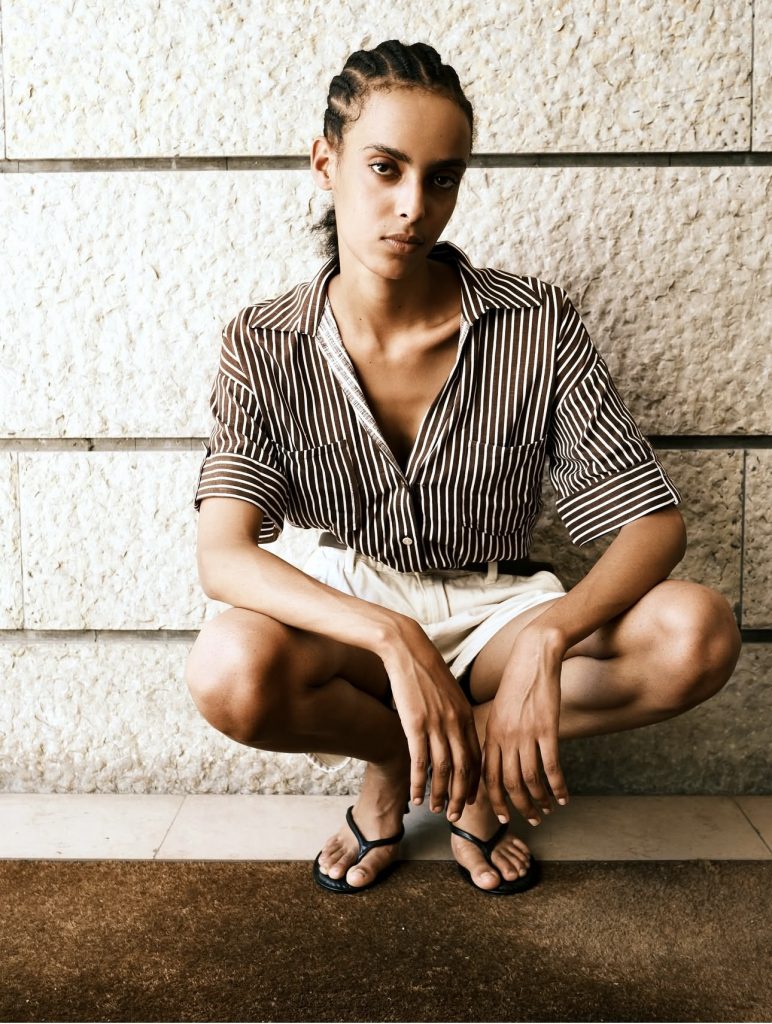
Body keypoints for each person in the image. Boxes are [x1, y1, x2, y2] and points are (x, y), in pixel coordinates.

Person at [185, 39, 742, 896]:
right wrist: (393, 637)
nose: (414, 206)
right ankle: (406, 761)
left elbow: (653, 526)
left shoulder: (535, 322)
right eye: (385, 168)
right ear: (326, 164)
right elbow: (223, 556)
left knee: (698, 633)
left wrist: (550, 639)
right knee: (227, 670)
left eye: (441, 178)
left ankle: (453, 758)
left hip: (500, 611)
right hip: (355, 614)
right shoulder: (263, 342)